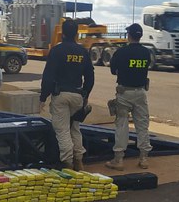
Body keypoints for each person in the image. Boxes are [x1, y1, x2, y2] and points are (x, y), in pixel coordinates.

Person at [40, 18, 94, 171]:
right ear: (76, 34)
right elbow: (90, 77)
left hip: (61, 96)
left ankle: (68, 163)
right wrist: (85, 95)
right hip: (77, 95)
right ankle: (79, 161)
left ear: (62, 33)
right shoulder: (83, 52)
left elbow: (48, 76)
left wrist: (43, 97)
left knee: (62, 130)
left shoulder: (57, 51)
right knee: (75, 128)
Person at [105, 23, 153, 171]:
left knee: (122, 125)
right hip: (141, 92)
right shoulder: (146, 53)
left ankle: (118, 159)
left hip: (124, 93)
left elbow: (113, 70)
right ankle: (144, 159)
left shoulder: (121, 52)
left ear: (129, 35)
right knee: (142, 125)